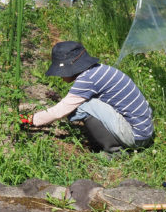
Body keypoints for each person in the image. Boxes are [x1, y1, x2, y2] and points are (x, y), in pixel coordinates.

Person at [21, 41, 153, 154]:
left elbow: (60, 111)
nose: (61, 77)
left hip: (135, 136)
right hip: (144, 131)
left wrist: (32, 120)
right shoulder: (98, 70)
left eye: (61, 72)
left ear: (70, 67)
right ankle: (106, 140)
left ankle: (114, 150)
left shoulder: (87, 79)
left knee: (84, 106)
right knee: (83, 105)